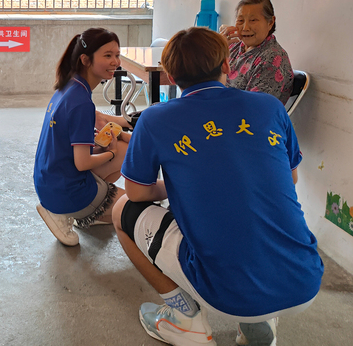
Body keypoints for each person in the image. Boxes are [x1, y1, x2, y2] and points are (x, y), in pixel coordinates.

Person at [113, 27, 323, 346]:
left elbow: (137, 193)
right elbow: (290, 178)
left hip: (228, 294)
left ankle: (186, 321)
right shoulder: (270, 107)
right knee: (249, 213)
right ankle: (258, 324)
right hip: (304, 279)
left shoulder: (155, 119)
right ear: (226, 65)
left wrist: (176, 186)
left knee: (122, 211)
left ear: (170, 76)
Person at [33, 28, 131, 247]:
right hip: (64, 189)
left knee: (125, 150)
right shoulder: (82, 103)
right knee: (133, 207)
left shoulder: (70, 86)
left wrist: (113, 143)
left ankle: (86, 212)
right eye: (108, 55)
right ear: (86, 60)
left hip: (50, 179)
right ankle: (64, 213)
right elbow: (82, 163)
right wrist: (110, 153)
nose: (115, 62)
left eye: (117, 55)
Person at [219, 0, 294, 104]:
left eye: (253, 20)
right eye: (240, 20)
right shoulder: (234, 46)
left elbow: (255, 107)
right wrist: (217, 49)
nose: (245, 28)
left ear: (270, 22)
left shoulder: (272, 60)